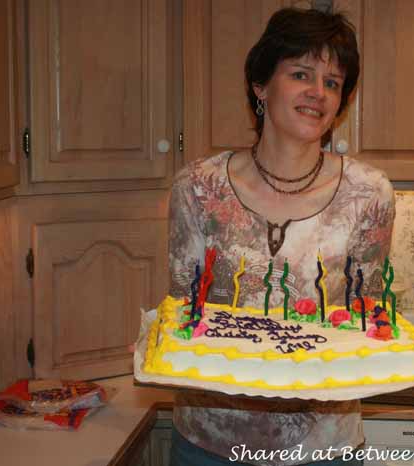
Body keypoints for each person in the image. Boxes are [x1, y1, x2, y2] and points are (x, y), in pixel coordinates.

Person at [167, 8, 395, 466]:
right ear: (260, 85)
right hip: (212, 442)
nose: (318, 93)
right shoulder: (197, 187)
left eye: (333, 82)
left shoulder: (370, 194)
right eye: (300, 74)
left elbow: (366, 316)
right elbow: (183, 313)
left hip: (324, 446)